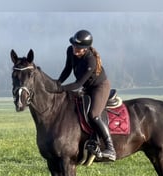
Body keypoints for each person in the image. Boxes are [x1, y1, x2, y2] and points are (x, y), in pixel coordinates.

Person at [50, 29, 116, 161]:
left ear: (86, 49)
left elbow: (77, 84)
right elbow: (67, 69)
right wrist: (57, 83)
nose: (75, 49)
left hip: (99, 87)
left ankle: (110, 148)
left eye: (79, 48)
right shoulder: (70, 50)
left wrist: (60, 89)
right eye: (74, 46)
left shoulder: (90, 60)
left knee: (93, 115)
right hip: (87, 87)